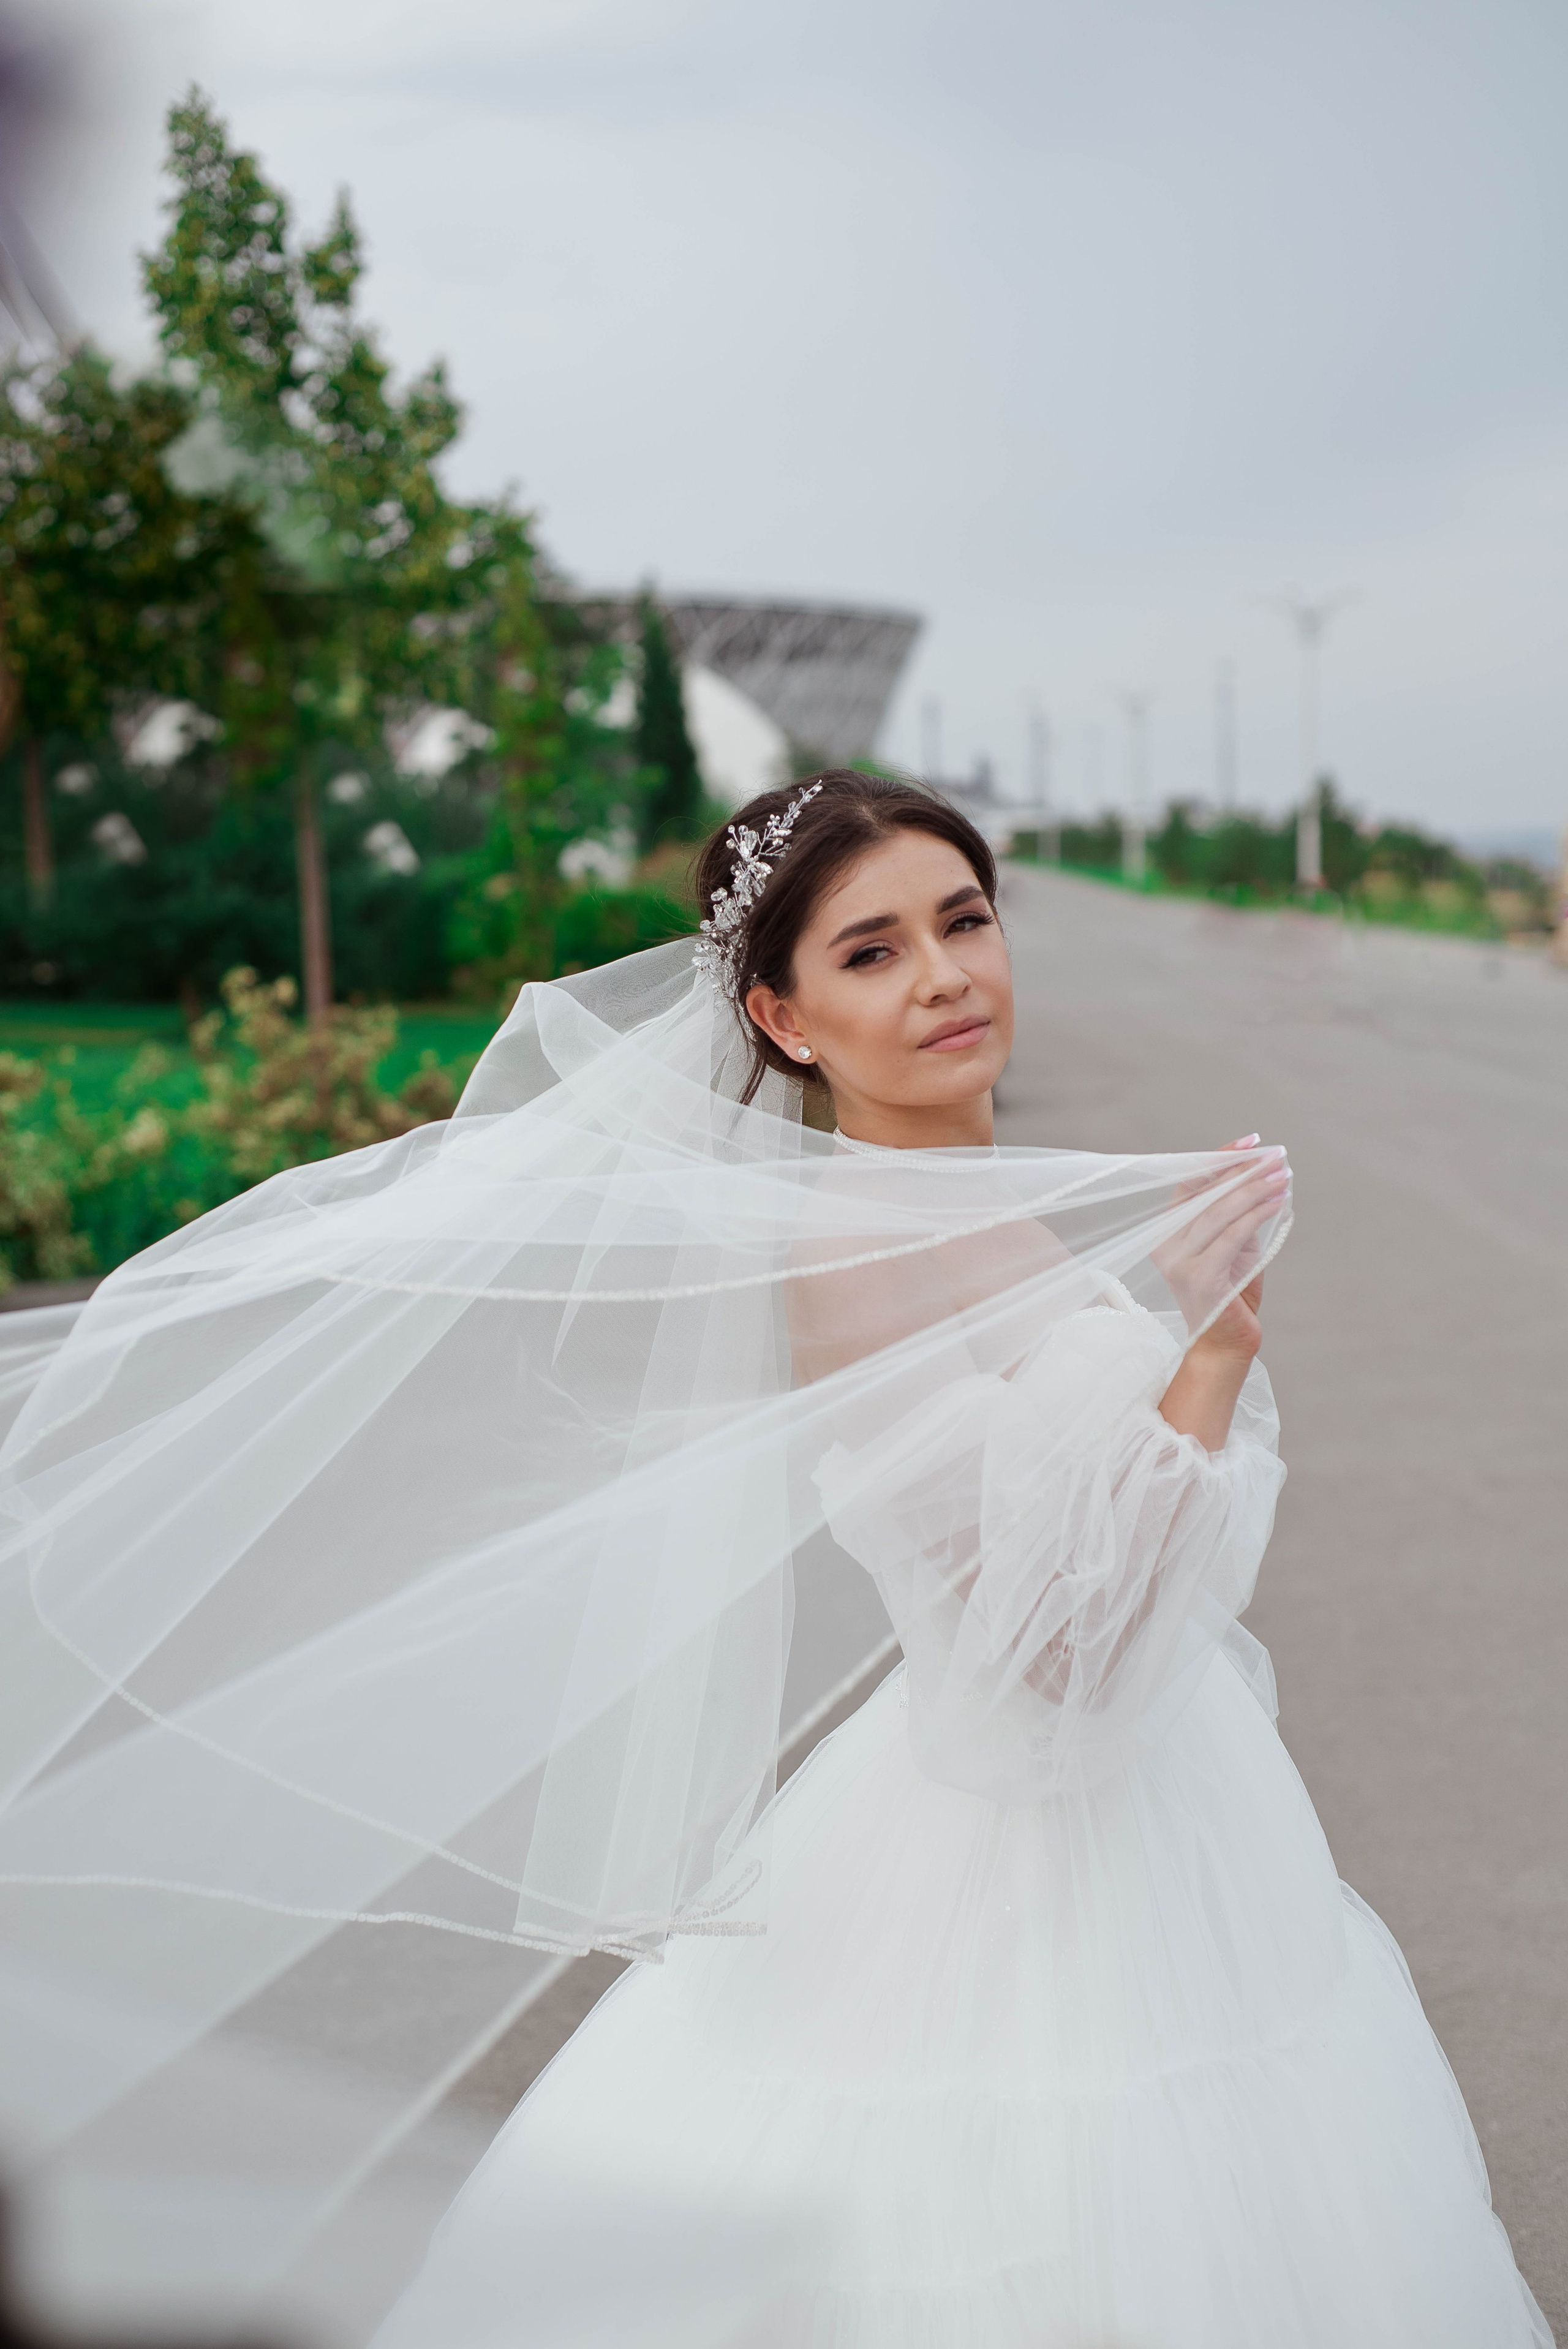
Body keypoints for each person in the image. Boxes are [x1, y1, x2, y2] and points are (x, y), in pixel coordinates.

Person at [0, 771, 1547, 2347]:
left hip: (1169, 1815)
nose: (941, 975)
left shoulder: (993, 1206)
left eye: (962, 920)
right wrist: (1205, 1356)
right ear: (782, 1017)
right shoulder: (855, 1250)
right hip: (1021, 1866)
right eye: (870, 951)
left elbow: (1103, 1561)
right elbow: (1045, 1670)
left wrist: (1183, 1356)